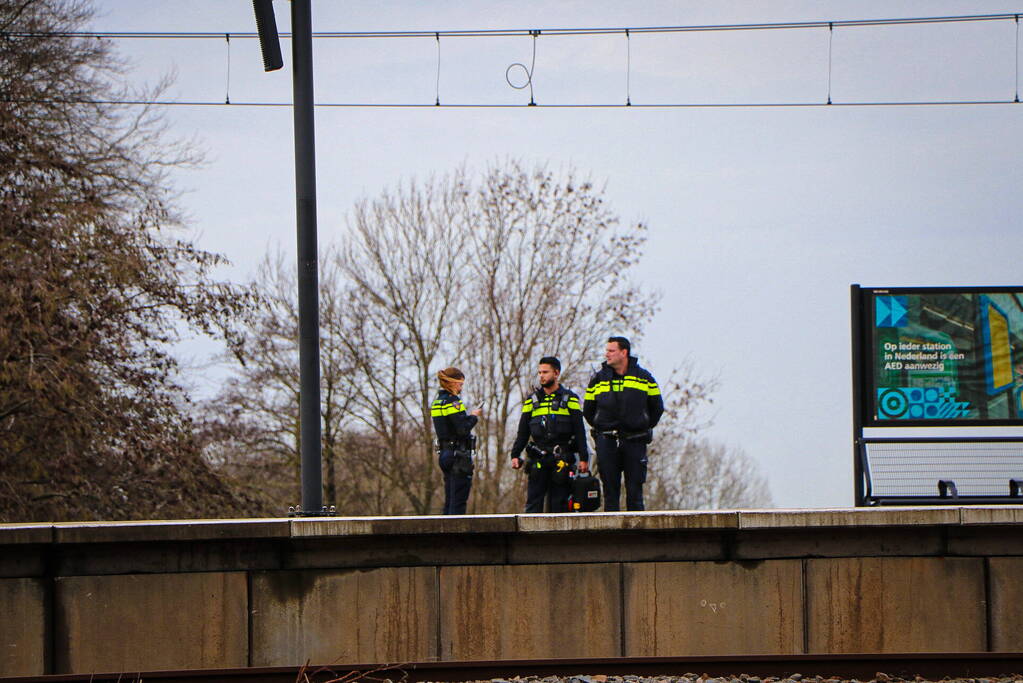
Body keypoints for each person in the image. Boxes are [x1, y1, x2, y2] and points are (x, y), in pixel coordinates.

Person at [583, 336, 664, 511]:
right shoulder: (598, 379)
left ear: (623, 352)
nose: (607, 354)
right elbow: (588, 410)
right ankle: (612, 535)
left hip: (635, 440)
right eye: (606, 351)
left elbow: (657, 408)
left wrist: (641, 425)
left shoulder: (644, 378)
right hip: (607, 441)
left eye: (611, 351)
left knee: (635, 492)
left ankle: (637, 535)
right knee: (610, 492)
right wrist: (602, 427)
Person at [510, 356, 590, 513]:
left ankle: (558, 538)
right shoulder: (531, 401)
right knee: (533, 503)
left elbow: (579, 430)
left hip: (562, 458)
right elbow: (523, 432)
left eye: (545, 372)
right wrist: (515, 454)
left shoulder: (570, 399)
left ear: (556, 373)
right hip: (538, 457)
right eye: (539, 372)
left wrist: (584, 458)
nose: (541, 376)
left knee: (559, 504)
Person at [431, 367, 482, 515]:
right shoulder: (453, 401)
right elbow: (462, 429)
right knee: (458, 501)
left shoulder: (437, 402)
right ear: (453, 383)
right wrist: (473, 416)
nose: (461, 388)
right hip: (458, 455)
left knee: (449, 499)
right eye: (460, 384)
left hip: (445, 453)